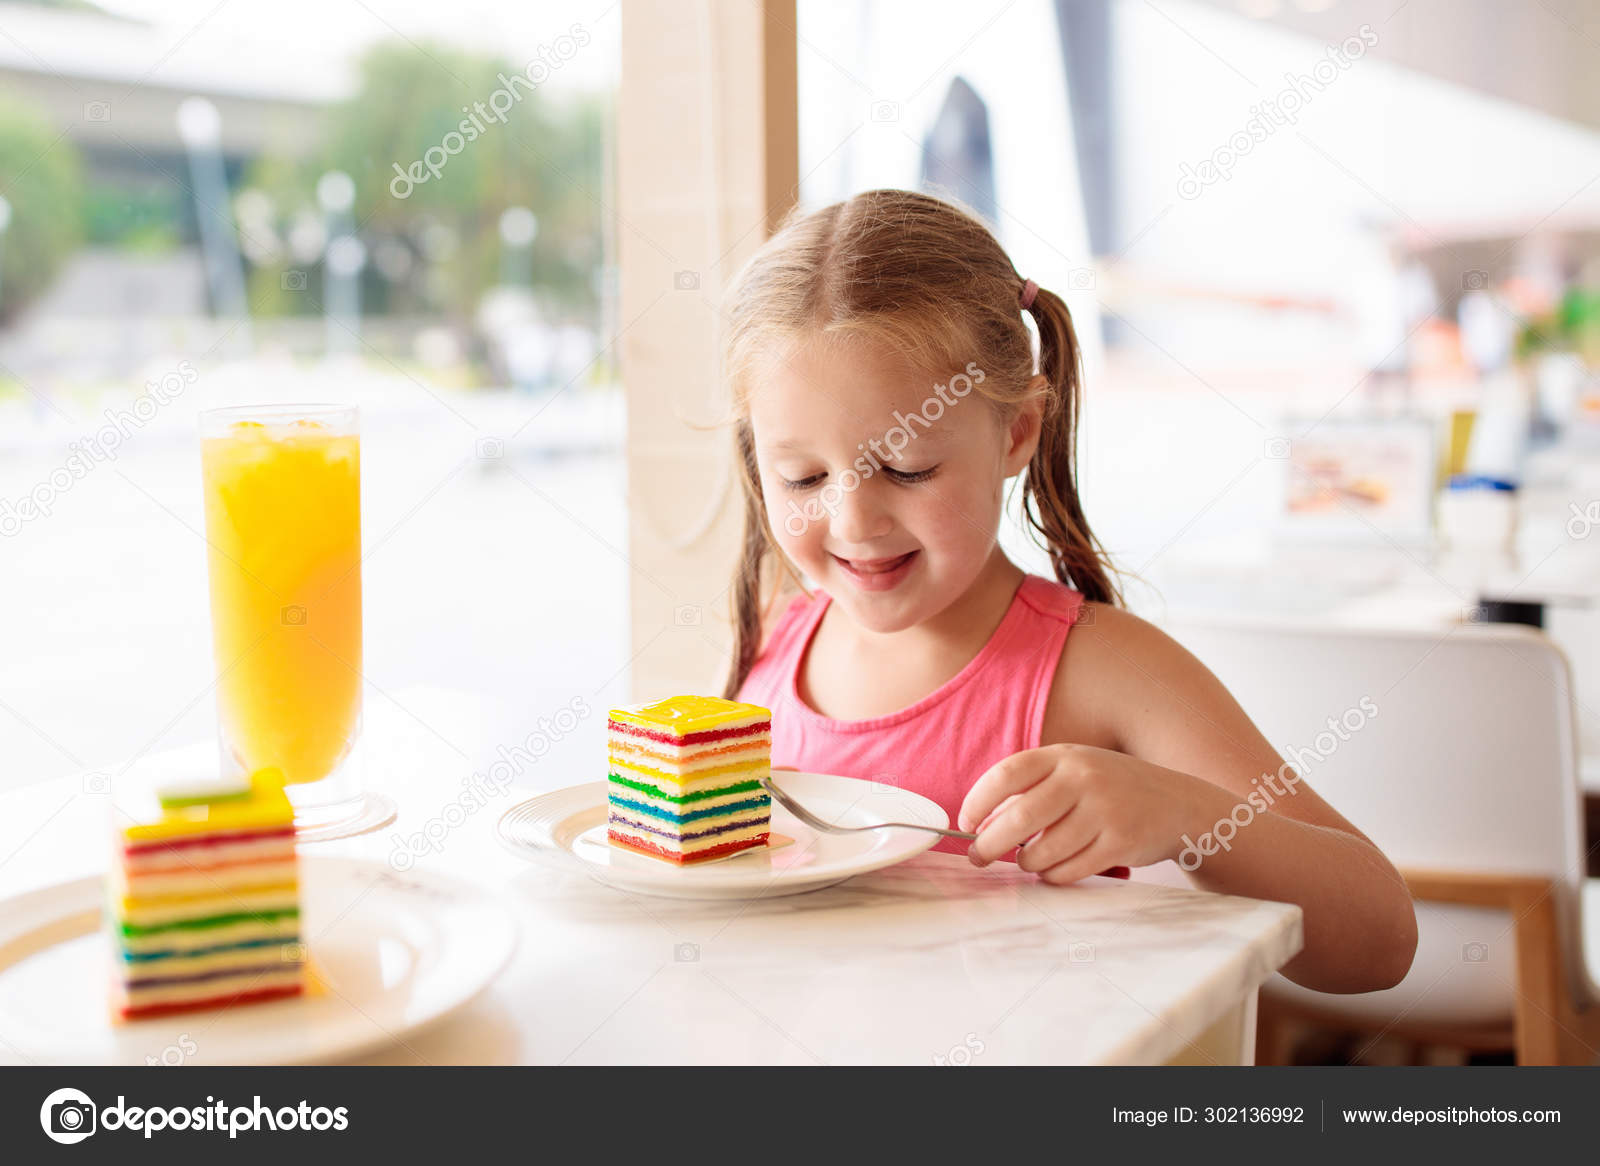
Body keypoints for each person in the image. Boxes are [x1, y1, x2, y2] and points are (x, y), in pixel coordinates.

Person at [721, 189, 1415, 993]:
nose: (853, 520)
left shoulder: (1104, 671)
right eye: (802, 475)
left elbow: (1380, 940)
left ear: (1016, 431)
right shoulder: (771, 641)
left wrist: (1188, 816)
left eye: (908, 468)